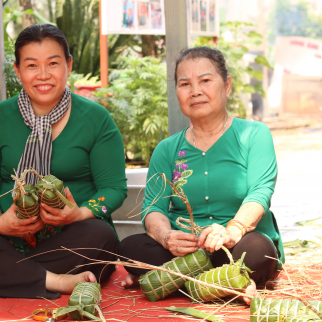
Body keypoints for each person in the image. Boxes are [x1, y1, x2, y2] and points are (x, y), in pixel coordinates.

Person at [0, 24, 127, 300]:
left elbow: (113, 189)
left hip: (73, 239)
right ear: (17, 70)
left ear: (68, 65)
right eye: (31, 65)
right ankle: (56, 280)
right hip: (6, 239)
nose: (43, 75)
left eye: (53, 63)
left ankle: (2, 274)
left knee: (101, 235)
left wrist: (78, 214)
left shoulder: (96, 119)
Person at [118, 47, 284, 304]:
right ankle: (227, 282)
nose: (195, 91)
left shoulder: (254, 134)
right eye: (185, 84)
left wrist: (232, 231)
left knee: (258, 253)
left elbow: (260, 193)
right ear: (177, 92)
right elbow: (153, 207)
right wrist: (166, 237)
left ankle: (171, 280)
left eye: (205, 81)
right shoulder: (167, 149)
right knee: (130, 249)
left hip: (236, 246)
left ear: (226, 85)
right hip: (183, 251)